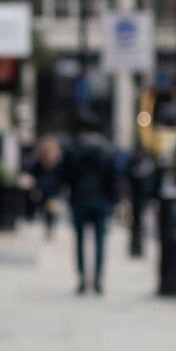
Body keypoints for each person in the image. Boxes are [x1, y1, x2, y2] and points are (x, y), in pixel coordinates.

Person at [60, 114, 119, 293]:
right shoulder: (106, 148)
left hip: (79, 199)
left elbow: (65, 175)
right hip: (101, 200)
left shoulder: (72, 148)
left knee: (79, 241)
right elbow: (113, 177)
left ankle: (82, 279)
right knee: (100, 241)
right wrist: (113, 199)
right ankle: (98, 278)